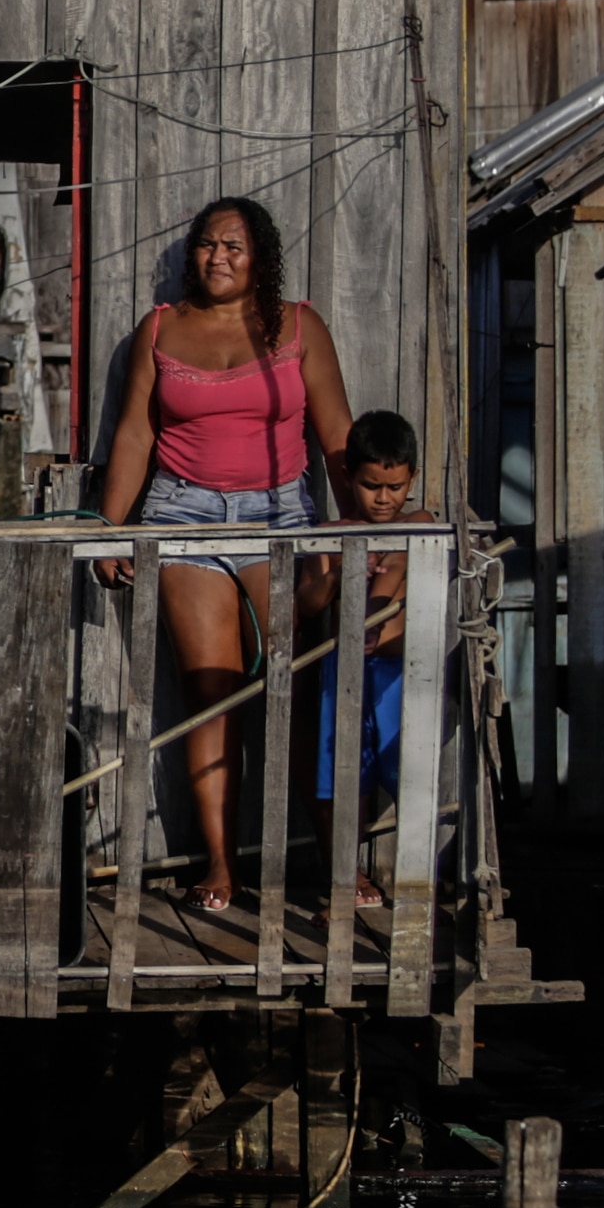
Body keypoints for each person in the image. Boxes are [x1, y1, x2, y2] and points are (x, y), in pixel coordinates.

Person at [92, 197, 356, 914]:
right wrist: (110, 528)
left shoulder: (299, 327)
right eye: (208, 245)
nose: (217, 258)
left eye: (234, 247)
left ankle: (335, 860)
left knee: (293, 694)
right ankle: (219, 863)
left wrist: (361, 533)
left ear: (260, 258)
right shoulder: (162, 329)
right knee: (212, 693)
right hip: (183, 514)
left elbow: (337, 437)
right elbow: (134, 438)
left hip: (280, 517)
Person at [299, 409, 427, 910]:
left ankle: (417, 882)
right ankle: (343, 876)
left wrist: (371, 610)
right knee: (342, 778)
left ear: (410, 480)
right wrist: (337, 577)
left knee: (404, 771)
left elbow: (396, 565)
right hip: (343, 673)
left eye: (394, 487)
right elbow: (309, 600)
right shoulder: (331, 532)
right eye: (372, 485)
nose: (383, 498)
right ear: (350, 477)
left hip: (398, 673)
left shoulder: (418, 523)